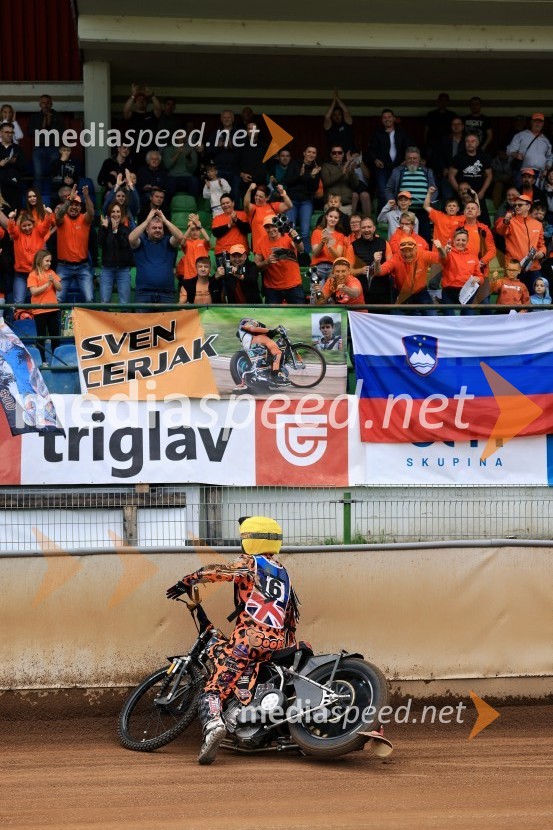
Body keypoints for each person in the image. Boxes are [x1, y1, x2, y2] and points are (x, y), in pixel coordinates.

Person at [166, 515, 298, 764]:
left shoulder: (251, 563)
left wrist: (187, 581)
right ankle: (239, 712)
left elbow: (220, 572)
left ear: (250, 540)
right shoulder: (283, 572)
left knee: (213, 688)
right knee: (243, 678)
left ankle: (214, 726)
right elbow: (290, 615)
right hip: (275, 642)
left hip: (247, 638)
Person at [128, 208, 183, 304]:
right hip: (144, 294)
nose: (157, 230)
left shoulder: (168, 242)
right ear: (147, 230)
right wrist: (147, 221)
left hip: (166, 294)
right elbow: (131, 238)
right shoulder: (141, 243)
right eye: (154, 228)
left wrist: (165, 221)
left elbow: (180, 237)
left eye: (160, 228)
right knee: (143, 320)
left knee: (167, 320)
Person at [373, 236, 440, 313]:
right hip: (401, 293)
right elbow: (379, 272)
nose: (407, 254)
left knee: (432, 315)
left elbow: (442, 258)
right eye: (404, 251)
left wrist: (441, 249)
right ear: (400, 251)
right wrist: (377, 262)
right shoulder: (395, 259)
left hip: (421, 292)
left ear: (416, 248)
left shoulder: (423, 254)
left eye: (410, 250)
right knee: (397, 317)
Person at [1, 207, 53, 304]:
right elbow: (11, 230)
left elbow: (46, 225)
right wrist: (11, 220)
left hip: (38, 273)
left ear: (33, 224)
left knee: (39, 302)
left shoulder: (39, 231)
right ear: (20, 226)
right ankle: (18, 319)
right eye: (24, 226)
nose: (27, 228)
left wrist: (48, 215)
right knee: (18, 301)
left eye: (29, 225)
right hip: (21, 275)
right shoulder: (17, 234)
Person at [385, 147, 438, 242]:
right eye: (409, 158)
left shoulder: (427, 172)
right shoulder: (397, 171)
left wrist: (429, 203)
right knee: (402, 238)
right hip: (403, 212)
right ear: (405, 160)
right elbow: (388, 189)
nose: (412, 160)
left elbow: (434, 190)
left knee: (424, 238)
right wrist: (391, 202)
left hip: (422, 212)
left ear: (419, 160)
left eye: (415, 158)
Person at [494, 193, 546, 287]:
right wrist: (505, 221)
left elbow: (541, 244)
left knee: (536, 297)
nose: (517, 207)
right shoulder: (510, 221)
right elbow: (500, 231)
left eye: (520, 205)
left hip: (533, 267)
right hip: (514, 268)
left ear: (528, 206)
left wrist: (542, 252)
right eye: (515, 205)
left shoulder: (538, 224)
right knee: (512, 298)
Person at [54, 184, 95, 303]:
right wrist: (69, 200)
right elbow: (59, 214)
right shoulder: (62, 219)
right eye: (71, 205)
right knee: (58, 299)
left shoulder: (84, 219)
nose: (73, 207)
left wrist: (86, 196)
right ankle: (57, 322)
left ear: (80, 208)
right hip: (63, 266)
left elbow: (91, 213)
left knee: (90, 299)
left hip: (83, 266)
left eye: (77, 205)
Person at [254, 215, 305, 304]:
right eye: (267, 227)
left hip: (293, 285)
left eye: (273, 226)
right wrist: (266, 262)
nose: (270, 229)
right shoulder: (260, 241)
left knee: (298, 314)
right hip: (272, 288)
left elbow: (301, 249)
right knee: (272, 317)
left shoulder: (287, 236)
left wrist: (297, 238)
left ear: (278, 225)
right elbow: (256, 266)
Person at [434, 228, 483, 314]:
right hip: (449, 291)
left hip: (467, 291)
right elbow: (444, 259)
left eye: (463, 240)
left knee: (467, 320)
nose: (460, 242)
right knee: (449, 320)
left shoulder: (473, 257)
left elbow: (480, 276)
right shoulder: (449, 253)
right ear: (453, 241)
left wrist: (478, 279)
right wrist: (442, 250)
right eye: (458, 240)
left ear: (467, 241)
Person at [369, 108, 411, 208]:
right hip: (382, 168)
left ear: (394, 118)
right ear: (381, 120)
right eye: (384, 117)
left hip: (398, 167)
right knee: (383, 193)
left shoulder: (401, 132)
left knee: (399, 192)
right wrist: (375, 160)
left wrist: (406, 160)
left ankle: (398, 217)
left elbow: (409, 147)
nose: (387, 119)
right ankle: (382, 218)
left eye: (389, 117)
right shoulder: (377, 133)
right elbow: (371, 150)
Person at [282, 146, 321, 253]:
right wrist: (300, 175)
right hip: (292, 201)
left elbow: (314, 188)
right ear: (304, 153)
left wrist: (312, 176)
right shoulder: (295, 164)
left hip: (306, 201)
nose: (311, 154)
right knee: (290, 229)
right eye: (309, 152)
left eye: (314, 152)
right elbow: (287, 181)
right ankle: (289, 253)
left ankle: (305, 256)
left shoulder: (316, 168)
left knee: (304, 232)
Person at [448, 133, 493, 225]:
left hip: (478, 193)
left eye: (473, 141)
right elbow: (451, 176)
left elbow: (489, 175)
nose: (470, 143)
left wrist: (482, 191)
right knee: (457, 221)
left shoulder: (484, 156)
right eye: (467, 141)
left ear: (478, 143)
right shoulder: (459, 157)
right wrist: (460, 191)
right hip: (462, 195)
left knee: (484, 222)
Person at [28, 95, 64, 204]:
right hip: (39, 148)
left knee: (54, 174)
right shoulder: (35, 117)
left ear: (51, 104)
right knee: (38, 174)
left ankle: (55, 200)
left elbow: (63, 132)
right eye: (43, 103)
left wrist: (50, 121)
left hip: (53, 147)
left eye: (48, 103)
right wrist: (43, 125)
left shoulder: (57, 116)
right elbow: (30, 132)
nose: (46, 105)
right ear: (40, 104)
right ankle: (35, 201)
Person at [27, 249, 61, 364]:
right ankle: (42, 361)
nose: (49, 263)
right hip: (39, 310)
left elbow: (59, 288)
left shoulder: (51, 272)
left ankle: (56, 361)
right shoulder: (33, 274)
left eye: (50, 261)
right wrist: (47, 284)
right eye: (47, 261)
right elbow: (33, 291)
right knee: (41, 337)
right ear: (40, 261)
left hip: (53, 308)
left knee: (55, 336)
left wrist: (53, 281)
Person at [351, 217, 392, 304]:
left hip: (383, 291)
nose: (366, 230)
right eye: (364, 227)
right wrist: (360, 271)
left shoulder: (383, 242)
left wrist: (379, 268)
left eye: (369, 227)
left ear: (374, 228)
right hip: (362, 292)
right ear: (360, 229)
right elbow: (348, 270)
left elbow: (390, 265)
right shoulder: (352, 246)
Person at [98, 203, 133, 305]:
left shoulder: (126, 229)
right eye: (113, 211)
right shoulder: (104, 227)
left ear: (121, 214)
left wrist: (115, 230)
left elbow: (124, 244)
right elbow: (100, 243)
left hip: (123, 269)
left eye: (118, 211)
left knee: (125, 303)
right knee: (104, 301)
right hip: (107, 269)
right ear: (109, 214)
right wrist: (105, 229)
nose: (116, 214)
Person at [244, 183, 292, 254]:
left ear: (267, 198)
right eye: (256, 195)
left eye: (260, 197)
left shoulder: (272, 206)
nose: (257, 198)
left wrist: (282, 192)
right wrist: (249, 190)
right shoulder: (253, 208)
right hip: (259, 246)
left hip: (275, 244)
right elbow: (245, 205)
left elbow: (289, 205)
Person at [122, 84, 162, 165]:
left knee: (151, 174)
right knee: (134, 175)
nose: (141, 101)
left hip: (150, 150)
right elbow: (125, 111)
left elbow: (159, 109)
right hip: (134, 150)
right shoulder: (132, 115)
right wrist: (133, 96)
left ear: (147, 103)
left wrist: (152, 95)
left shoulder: (151, 115)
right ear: (135, 103)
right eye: (139, 100)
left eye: (143, 100)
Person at [507, 113, 552, 180]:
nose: (538, 124)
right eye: (535, 122)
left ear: (543, 124)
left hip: (540, 173)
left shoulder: (546, 140)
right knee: (521, 190)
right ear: (531, 122)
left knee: (538, 190)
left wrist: (547, 170)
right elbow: (509, 149)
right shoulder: (521, 135)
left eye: (540, 122)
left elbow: (549, 157)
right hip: (523, 171)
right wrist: (516, 154)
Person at [310, 207, 347, 283]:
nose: (333, 219)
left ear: (338, 219)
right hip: (318, 267)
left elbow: (338, 256)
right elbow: (315, 254)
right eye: (331, 216)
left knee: (331, 294)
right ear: (326, 217)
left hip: (333, 269)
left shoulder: (340, 235)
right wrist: (322, 243)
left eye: (336, 217)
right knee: (317, 294)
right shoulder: (317, 232)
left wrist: (329, 245)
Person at [320, 146, 359, 214]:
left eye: (339, 152)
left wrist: (351, 170)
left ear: (343, 154)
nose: (337, 154)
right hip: (331, 204)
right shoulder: (326, 166)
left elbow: (355, 184)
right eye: (334, 153)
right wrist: (342, 171)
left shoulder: (348, 166)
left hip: (346, 205)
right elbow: (327, 182)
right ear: (331, 155)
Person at [0, 121, 26, 210]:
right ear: (1, 133)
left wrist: (13, 162)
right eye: (7, 132)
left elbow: (24, 168)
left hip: (14, 187)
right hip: (0, 187)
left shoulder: (18, 149)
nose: (10, 134)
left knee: (15, 215)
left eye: (11, 132)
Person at [177, 214, 211, 280]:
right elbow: (182, 242)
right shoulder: (187, 242)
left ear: (200, 231)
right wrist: (190, 227)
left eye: (197, 230)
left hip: (203, 276)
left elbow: (208, 239)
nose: (195, 232)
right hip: (189, 276)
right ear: (189, 231)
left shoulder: (203, 242)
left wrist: (199, 225)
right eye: (192, 230)